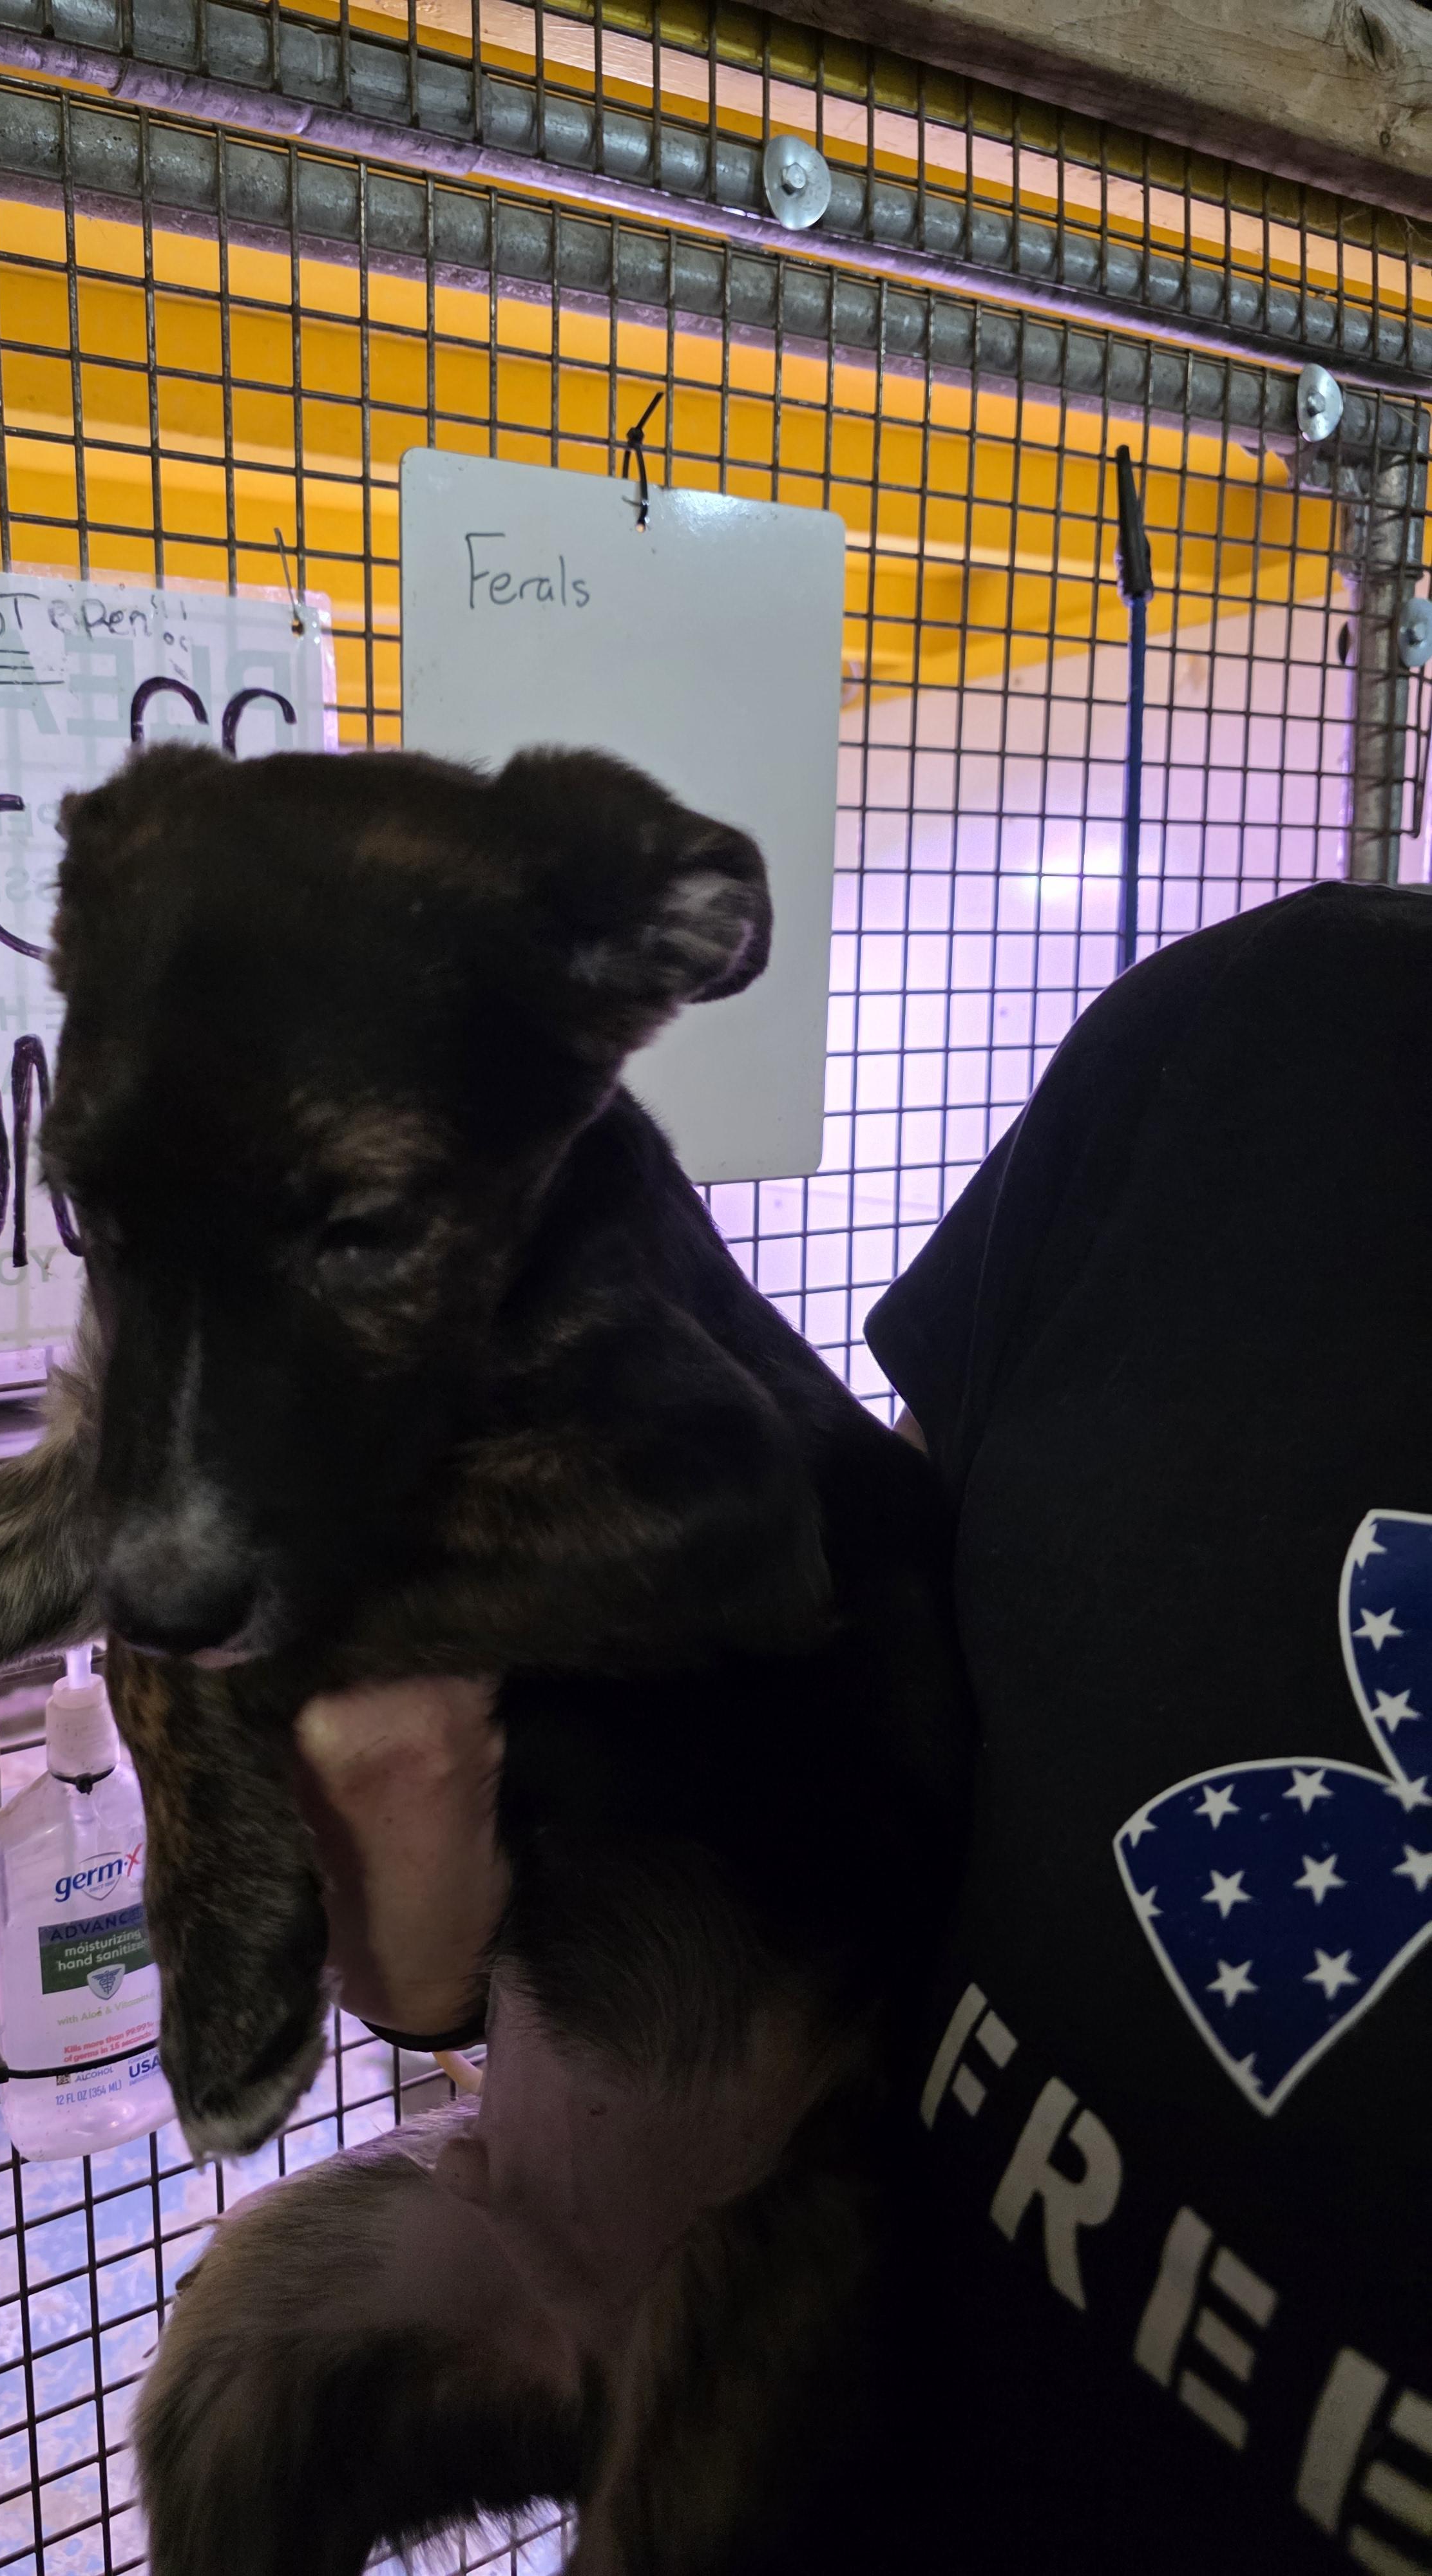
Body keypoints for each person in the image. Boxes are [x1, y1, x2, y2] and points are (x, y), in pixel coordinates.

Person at [292, 876, 1432, 2574]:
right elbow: (853, 1633)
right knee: (240, 2374)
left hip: (793, 2315)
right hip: (777, 2202)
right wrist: (442, 1929)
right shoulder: (1272, 1034)